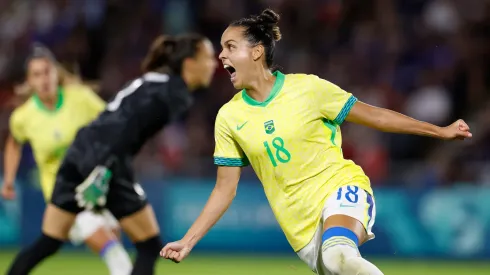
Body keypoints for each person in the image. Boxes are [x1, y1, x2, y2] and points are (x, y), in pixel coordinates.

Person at [160, 9, 472, 275]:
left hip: (341, 188)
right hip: (301, 230)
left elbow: (374, 116)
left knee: (339, 253)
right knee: (335, 261)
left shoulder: (308, 89)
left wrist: (439, 131)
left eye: (230, 46)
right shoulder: (229, 117)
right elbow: (224, 189)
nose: (222, 55)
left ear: (256, 52)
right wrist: (188, 240)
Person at [6, 33, 217, 275]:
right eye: (209, 57)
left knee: (49, 242)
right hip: (104, 161)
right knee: (148, 246)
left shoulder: (156, 80)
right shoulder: (174, 94)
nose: (215, 63)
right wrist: (103, 170)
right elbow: (123, 130)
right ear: (189, 63)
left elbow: (111, 119)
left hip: (77, 155)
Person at [2, 45, 132, 275]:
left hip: (97, 185)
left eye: (47, 72)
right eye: (37, 74)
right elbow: (14, 143)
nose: (44, 79)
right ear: (29, 81)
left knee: (55, 245)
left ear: (56, 73)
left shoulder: (79, 99)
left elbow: (112, 124)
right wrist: (9, 179)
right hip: (63, 195)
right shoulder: (24, 117)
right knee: (116, 256)